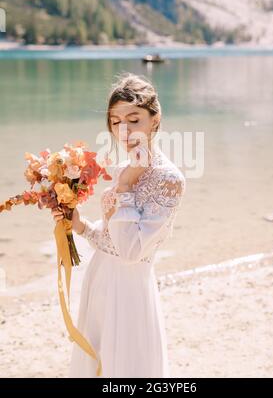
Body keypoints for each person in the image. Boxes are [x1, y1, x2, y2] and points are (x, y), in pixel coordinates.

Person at [52, 72, 186, 378]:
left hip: (130, 291)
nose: (123, 130)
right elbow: (111, 239)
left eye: (134, 119)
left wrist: (125, 185)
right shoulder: (124, 167)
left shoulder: (169, 179)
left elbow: (130, 251)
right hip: (100, 279)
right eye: (115, 121)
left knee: (127, 368)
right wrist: (80, 225)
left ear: (155, 119)